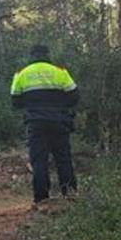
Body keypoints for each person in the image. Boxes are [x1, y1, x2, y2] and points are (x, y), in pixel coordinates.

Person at [10, 45, 79, 206]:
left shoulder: (22, 74)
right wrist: (59, 106)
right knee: (63, 158)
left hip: (35, 124)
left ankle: (41, 199)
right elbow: (75, 96)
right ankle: (69, 195)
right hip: (59, 122)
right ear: (48, 55)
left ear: (31, 55)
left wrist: (32, 105)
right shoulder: (60, 71)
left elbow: (15, 101)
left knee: (39, 160)